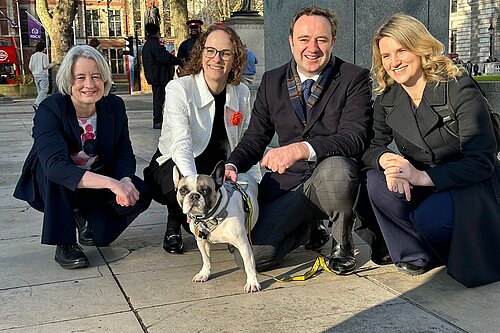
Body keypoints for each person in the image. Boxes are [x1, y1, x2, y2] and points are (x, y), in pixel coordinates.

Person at [224, 5, 374, 273]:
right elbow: (256, 136)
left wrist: (301, 149)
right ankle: (308, 227)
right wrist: (232, 165)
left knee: (338, 169)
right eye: (304, 39)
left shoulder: (354, 77)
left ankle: (342, 242)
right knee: (252, 257)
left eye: (322, 40)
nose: (312, 48)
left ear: (333, 42)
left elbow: (355, 137)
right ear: (291, 41)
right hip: (289, 185)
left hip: (333, 178)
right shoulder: (272, 81)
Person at [363, 13, 500, 287]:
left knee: (429, 219)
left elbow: (481, 161)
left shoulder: (458, 88)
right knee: (375, 181)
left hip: (469, 183)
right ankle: (416, 254)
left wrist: (421, 178)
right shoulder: (388, 97)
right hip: (424, 178)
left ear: (420, 47)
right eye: (386, 55)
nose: (394, 62)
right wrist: (387, 159)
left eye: (401, 51)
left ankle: (454, 248)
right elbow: (370, 146)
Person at [13, 45, 152, 269]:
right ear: (69, 80)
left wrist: (125, 179)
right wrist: (112, 184)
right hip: (52, 187)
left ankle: (90, 223)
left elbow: (124, 151)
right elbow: (54, 166)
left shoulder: (114, 106)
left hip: (93, 183)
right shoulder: (51, 109)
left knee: (140, 192)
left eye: (96, 76)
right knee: (58, 172)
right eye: (81, 77)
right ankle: (64, 242)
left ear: (105, 80)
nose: (89, 84)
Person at [143, 24, 260, 254]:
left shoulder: (242, 93)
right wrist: (190, 184)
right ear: (201, 53)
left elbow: (246, 140)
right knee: (189, 201)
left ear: (235, 58)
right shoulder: (179, 88)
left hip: (216, 166)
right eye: (211, 51)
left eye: (225, 53)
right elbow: (181, 143)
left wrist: (252, 182)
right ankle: (173, 223)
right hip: (175, 163)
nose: (217, 59)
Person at [142, 23, 182, 129]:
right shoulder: (154, 45)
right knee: (160, 99)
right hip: (159, 76)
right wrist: (178, 61)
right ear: (156, 32)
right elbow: (164, 57)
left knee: (158, 98)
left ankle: (158, 120)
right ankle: (158, 120)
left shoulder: (148, 44)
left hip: (154, 76)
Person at [29, 41, 54, 110]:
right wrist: (53, 64)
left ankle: (40, 105)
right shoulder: (44, 55)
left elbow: (30, 66)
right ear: (43, 48)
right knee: (44, 90)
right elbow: (45, 66)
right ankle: (37, 103)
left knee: (40, 91)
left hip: (35, 75)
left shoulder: (33, 56)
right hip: (43, 75)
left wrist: (34, 72)